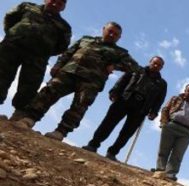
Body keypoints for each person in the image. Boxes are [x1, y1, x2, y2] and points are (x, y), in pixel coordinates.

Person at [12, 21, 141, 141]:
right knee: (48, 92)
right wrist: (58, 65)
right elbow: (68, 53)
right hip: (68, 72)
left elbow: (135, 68)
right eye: (110, 31)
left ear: (119, 37)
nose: (112, 35)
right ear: (103, 30)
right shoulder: (86, 39)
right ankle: (29, 119)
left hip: (91, 81)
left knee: (79, 106)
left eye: (116, 34)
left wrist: (116, 66)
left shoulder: (120, 53)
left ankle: (60, 132)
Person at [81, 56, 167, 161]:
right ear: (150, 62)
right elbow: (123, 80)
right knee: (108, 123)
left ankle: (112, 152)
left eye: (159, 65)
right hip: (124, 99)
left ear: (161, 67)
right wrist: (114, 92)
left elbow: (159, 99)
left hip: (141, 108)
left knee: (127, 132)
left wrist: (154, 112)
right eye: (154, 63)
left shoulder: (162, 83)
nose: (156, 65)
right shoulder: (136, 70)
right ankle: (93, 145)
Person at [0, 0, 70, 118]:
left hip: (38, 58)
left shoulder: (64, 26)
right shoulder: (27, 6)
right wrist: (14, 34)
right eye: (53, 1)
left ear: (63, 7)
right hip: (11, 47)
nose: (54, 4)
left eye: (59, 3)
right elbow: (9, 18)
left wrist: (43, 50)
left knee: (30, 85)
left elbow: (62, 46)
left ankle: (18, 116)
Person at [152, 83, 189, 181]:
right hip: (171, 126)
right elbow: (165, 109)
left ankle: (170, 174)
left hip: (186, 132)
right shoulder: (175, 99)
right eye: (188, 91)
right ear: (185, 91)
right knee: (164, 149)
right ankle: (160, 169)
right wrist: (164, 123)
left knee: (178, 153)